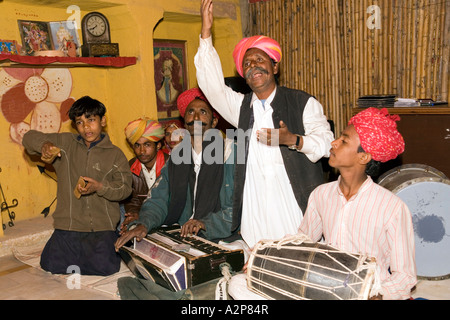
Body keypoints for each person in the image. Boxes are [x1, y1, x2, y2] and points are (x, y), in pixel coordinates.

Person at [229, 107, 417, 300]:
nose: (334, 143)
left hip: (366, 290)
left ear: (364, 157)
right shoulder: (321, 194)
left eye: (343, 141)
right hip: (320, 283)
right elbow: (303, 239)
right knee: (238, 284)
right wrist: (264, 256)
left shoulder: (392, 207)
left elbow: (405, 276)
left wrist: (378, 295)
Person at [195, 0, 334, 249]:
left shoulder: (302, 102)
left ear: (275, 66)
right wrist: (206, 34)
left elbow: (326, 145)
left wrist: (293, 140)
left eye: (259, 60)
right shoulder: (240, 107)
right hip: (255, 206)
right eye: (246, 64)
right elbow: (212, 87)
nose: (253, 67)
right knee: (259, 265)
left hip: (293, 205)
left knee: (297, 262)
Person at [114, 87, 239, 252]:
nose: (195, 117)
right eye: (190, 112)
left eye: (203, 112)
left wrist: (205, 224)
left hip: (222, 236)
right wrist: (144, 223)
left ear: (214, 121)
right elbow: (159, 198)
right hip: (183, 232)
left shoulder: (230, 153)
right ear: (184, 120)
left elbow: (238, 207)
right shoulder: (177, 157)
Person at [22, 96, 132, 276]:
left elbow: (125, 189)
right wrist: (45, 145)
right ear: (75, 125)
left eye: (91, 120)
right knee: (49, 264)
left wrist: (100, 187)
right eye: (79, 122)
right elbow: (29, 137)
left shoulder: (115, 155)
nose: (86, 126)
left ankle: (100, 251)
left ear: (102, 121)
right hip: (69, 226)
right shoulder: (66, 144)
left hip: (100, 227)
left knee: (106, 268)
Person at [118, 118, 169, 233]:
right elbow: (132, 200)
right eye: (137, 145)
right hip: (142, 216)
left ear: (158, 146)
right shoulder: (130, 167)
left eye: (147, 145)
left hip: (166, 216)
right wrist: (134, 214)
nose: (142, 151)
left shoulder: (171, 166)